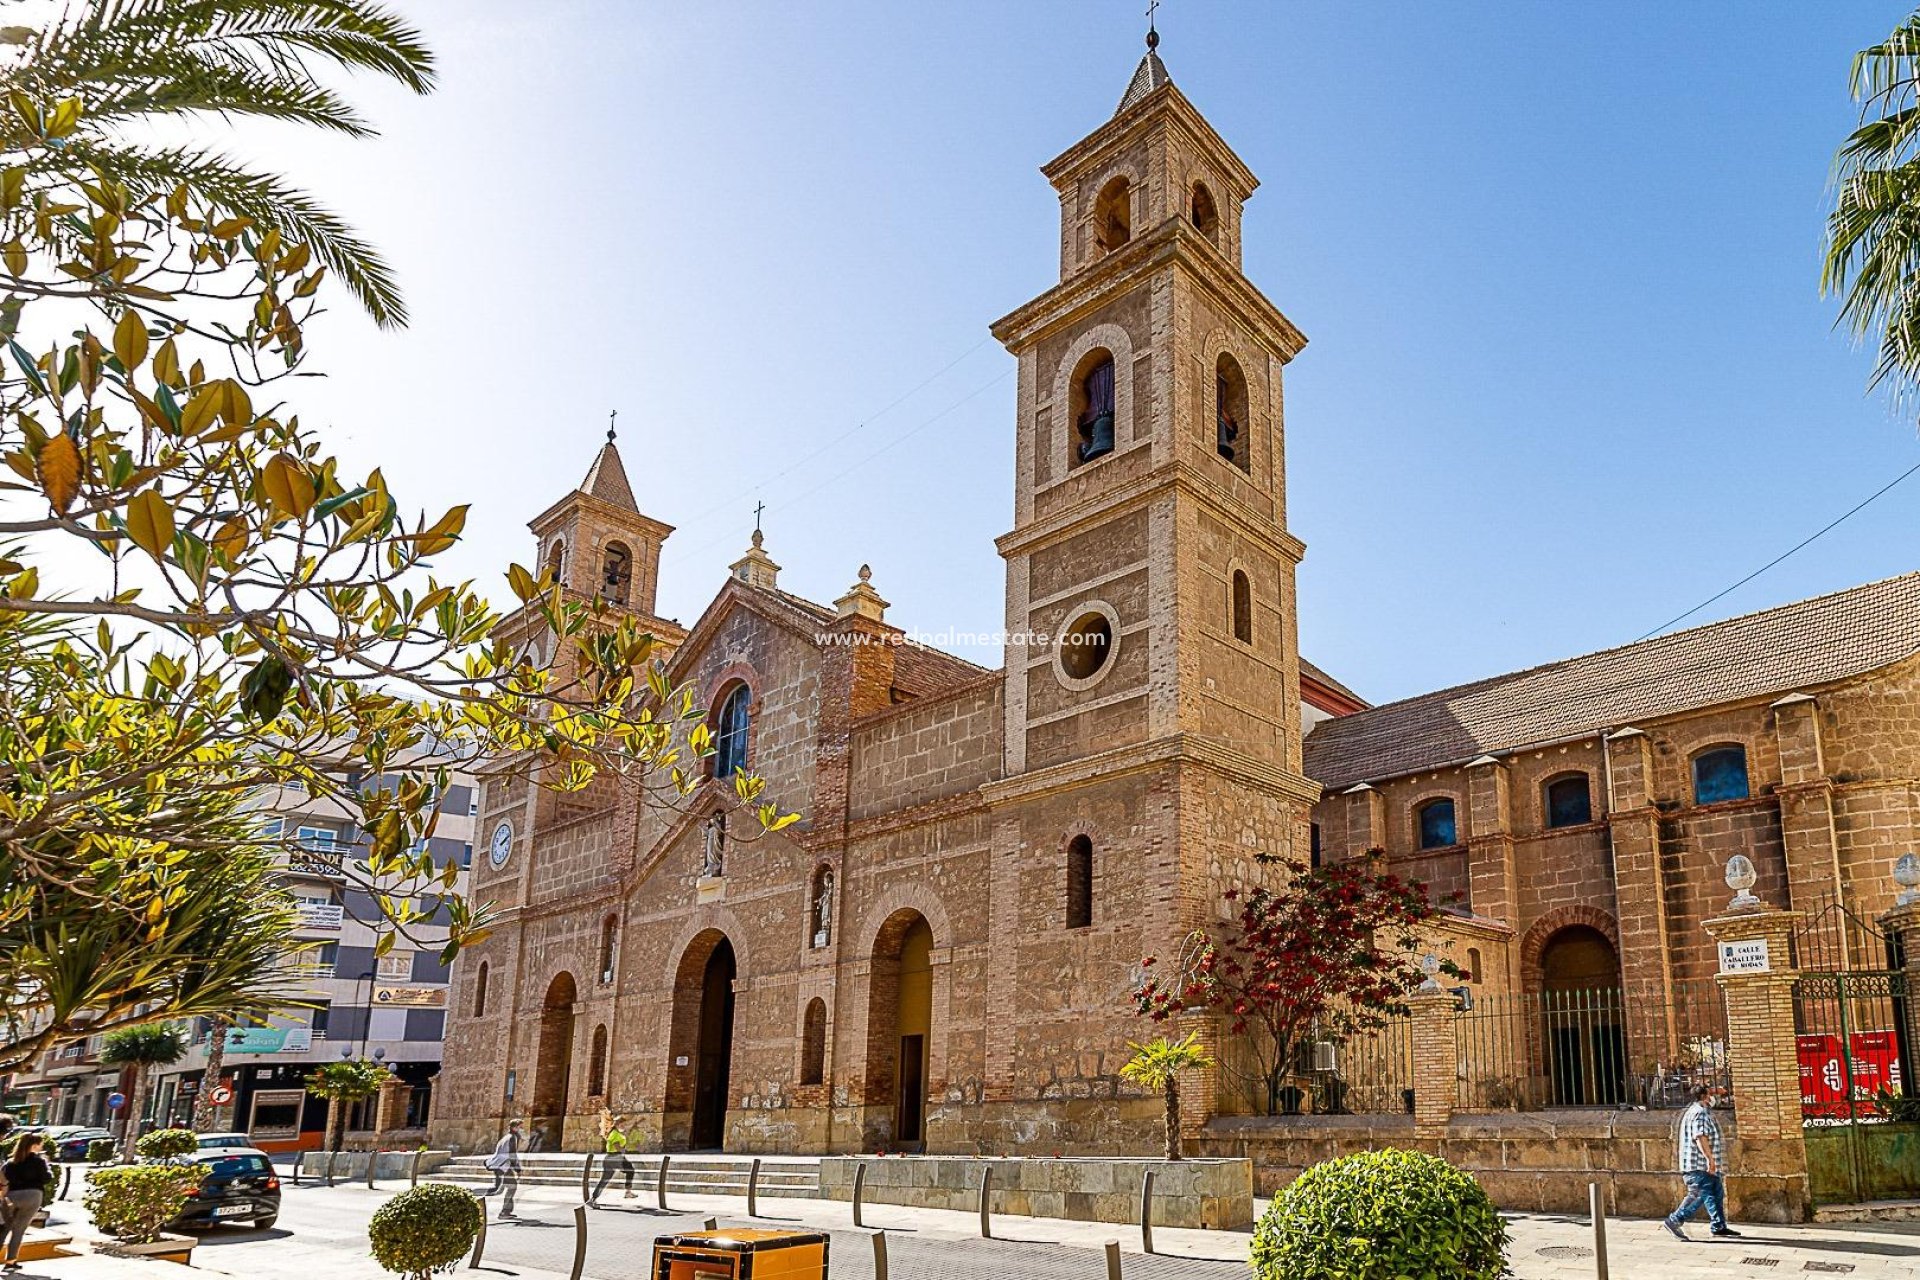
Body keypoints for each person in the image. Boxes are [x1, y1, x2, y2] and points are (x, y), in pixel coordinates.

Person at [1665, 1085, 1740, 1241]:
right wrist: (1710, 1159)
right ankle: (1674, 1220)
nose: (1713, 1098)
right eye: (1710, 1095)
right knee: (1698, 1194)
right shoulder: (1699, 1113)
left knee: (1716, 1193)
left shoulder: (1696, 1110)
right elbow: (1700, 1136)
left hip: (1701, 1165)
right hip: (1699, 1165)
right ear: (1704, 1096)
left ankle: (1718, 1226)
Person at [1, 1132, 55, 1272]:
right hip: (33, 1196)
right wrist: (48, 1165)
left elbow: (2, 1178)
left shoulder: (11, 1162)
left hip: (11, 1196)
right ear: (34, 1145)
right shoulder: (39, 1161)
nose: (41, 1147)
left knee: (3, 1229)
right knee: (19, 1230)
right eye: (40, 1144)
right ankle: (11, 1261)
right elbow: (46, 1179)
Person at [588, 1116, 633, 1207]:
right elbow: (616, 1146)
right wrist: (623, 1150)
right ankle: (628, 1191)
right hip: (615, 1157)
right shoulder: (615, 1134)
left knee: (604, 1180)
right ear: (619, 1124)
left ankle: (592, 1199)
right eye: (624, 1124)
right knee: (630, 1170)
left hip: (610, 1158)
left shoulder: (615, 1133)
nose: (625, 1126)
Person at [483, 1119, 523, 1219]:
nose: (520, 1129)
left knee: (509, 1186)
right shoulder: (512, 1138)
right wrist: (518, 1169)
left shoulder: (506, 1137)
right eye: (519, 1127)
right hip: (504, 1166)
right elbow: (512, 1155)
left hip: (500, 1166)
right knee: (512, 1186)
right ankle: (505, 1212)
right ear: (514, 1127)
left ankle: (506, 1211)